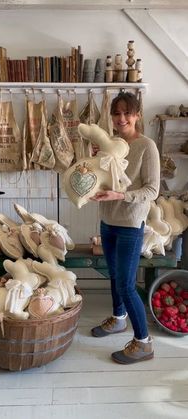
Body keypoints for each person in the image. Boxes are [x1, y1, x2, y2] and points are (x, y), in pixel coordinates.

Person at [90, 92, 160, 364]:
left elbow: (152, 190)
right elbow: (105, 177)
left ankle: (144, 343)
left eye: (127, 113)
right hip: (107, 221)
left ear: (137, 115)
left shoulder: (147, 146)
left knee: (127, 284)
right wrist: (97, 161)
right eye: (116, 113)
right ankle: (119, 319)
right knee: (113, 274)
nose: (121, 118)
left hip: (131, 224)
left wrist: (121, 195)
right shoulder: (112, 143)